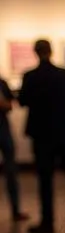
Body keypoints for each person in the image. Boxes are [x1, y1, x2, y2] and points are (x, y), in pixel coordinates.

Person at [17, 39, 65, 233]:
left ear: (36, 53)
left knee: (45, 180)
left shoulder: (30, 76)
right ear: (51, 51)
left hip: (42, 135)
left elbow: (23, 101)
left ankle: (47, 223)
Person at [0, 73, 28, 222]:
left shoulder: (2, 82)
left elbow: (10, 105)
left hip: (3, 131)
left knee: (11, 171)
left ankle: (15, 210)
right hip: (3, 130)